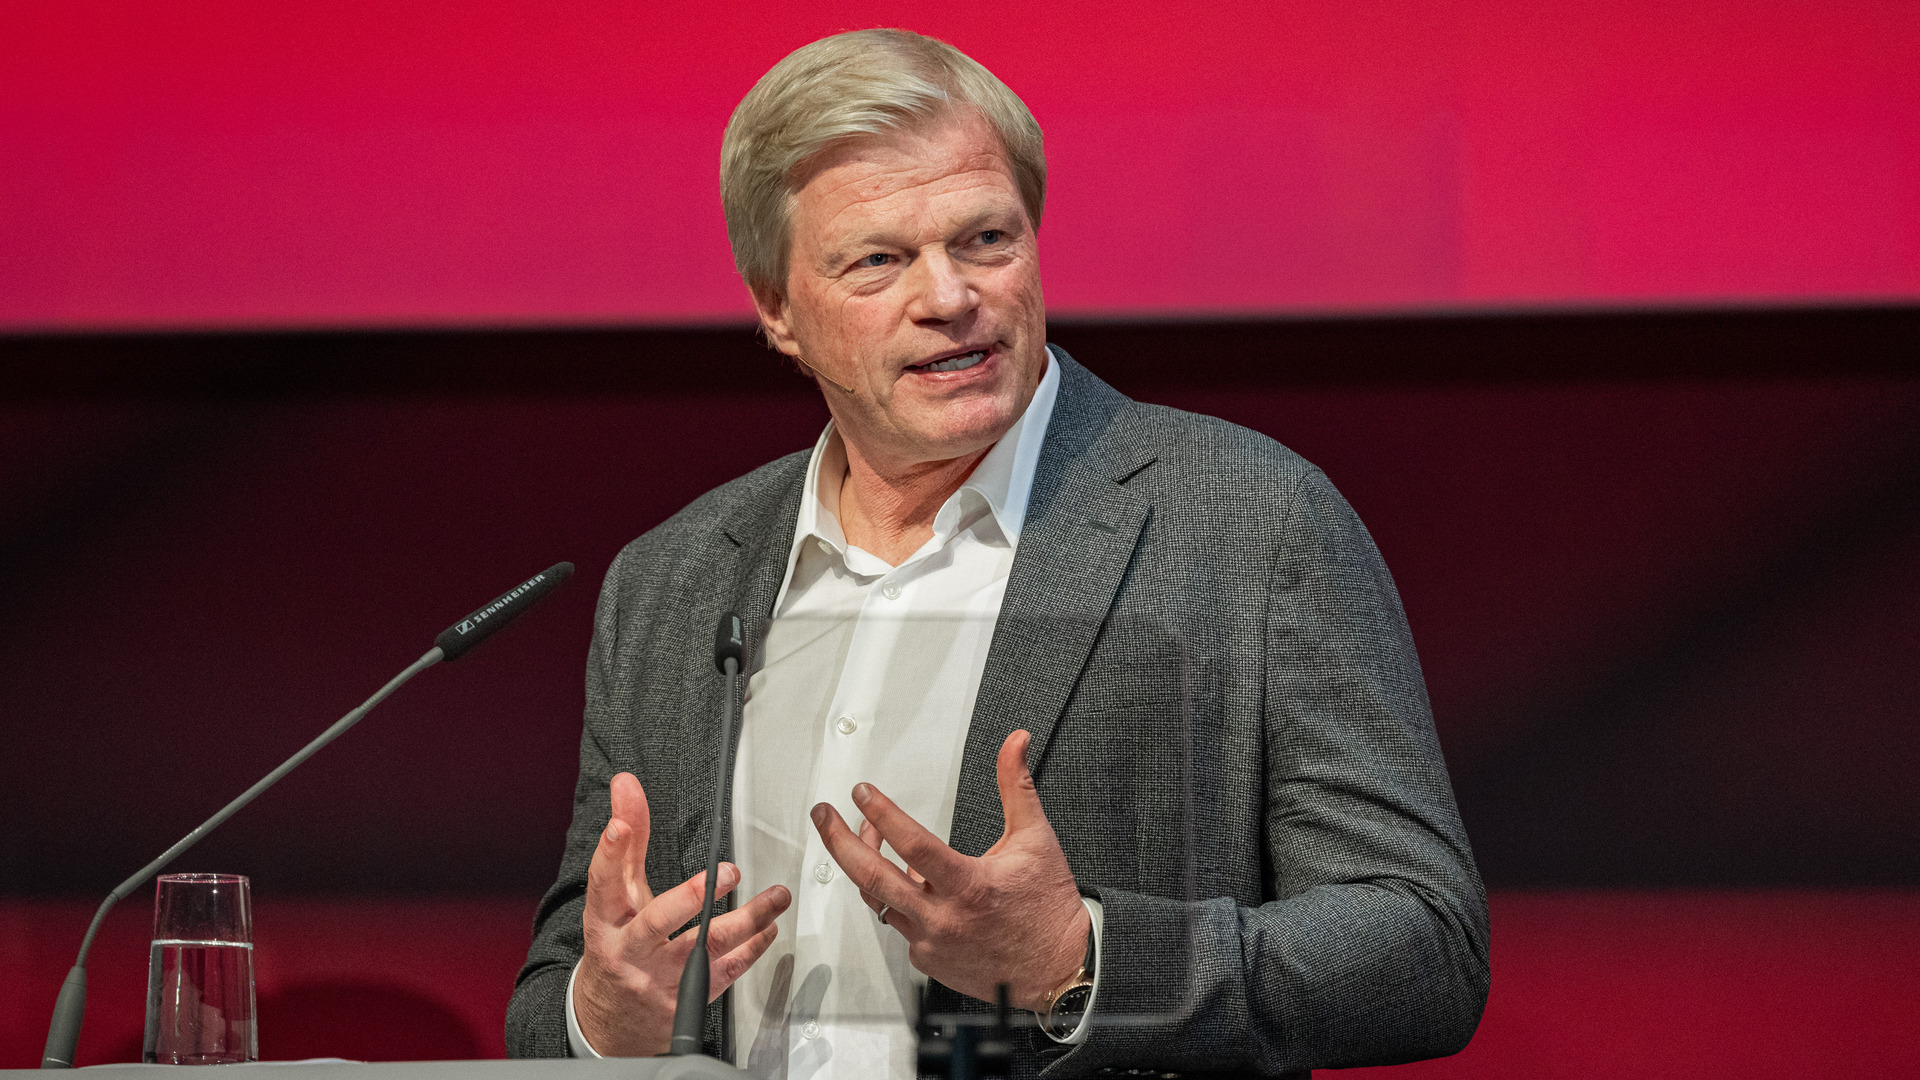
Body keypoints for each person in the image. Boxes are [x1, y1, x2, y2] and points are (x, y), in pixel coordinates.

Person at [506, 28, 1488, 1079]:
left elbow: (1424, 946)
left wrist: (1081, 961)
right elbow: (558, 995)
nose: (949, 296)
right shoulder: (673, 579)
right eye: (878, 260)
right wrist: (605, 1016)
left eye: (985, 240)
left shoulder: (1246, 522)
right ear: (779, 311)